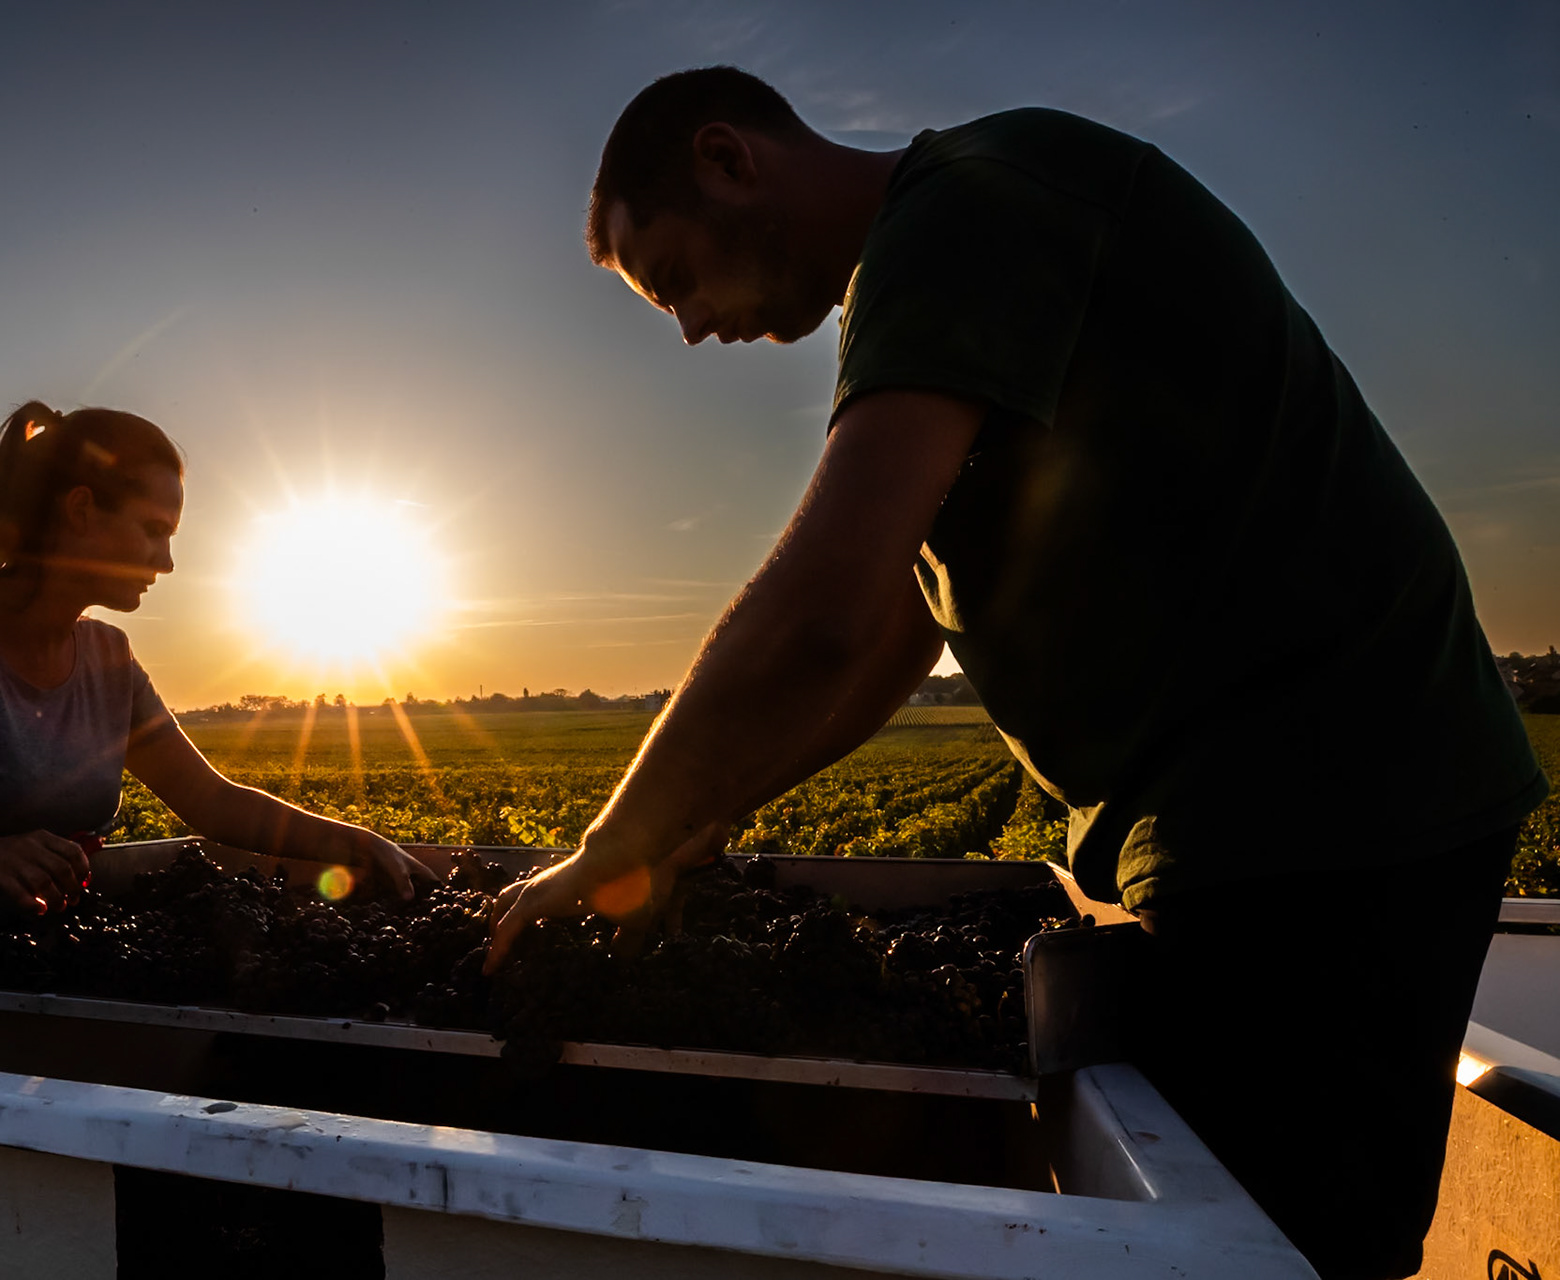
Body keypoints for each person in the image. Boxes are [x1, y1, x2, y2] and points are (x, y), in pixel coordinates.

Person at [486, 67, 1548, 1280]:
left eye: (670, 275)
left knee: (1282, 1239)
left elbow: (824, 606)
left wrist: (615, 841)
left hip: (1337, 792)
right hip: (1272, 804)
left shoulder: (971, 203)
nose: (685, 326)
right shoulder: (934, 276)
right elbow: (894, 630)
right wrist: (706, 818)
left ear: (730, 159)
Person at [0, 400, 429, 984]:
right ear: (81, 510)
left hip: (28, 984)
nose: (167, 561)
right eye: (154, 530)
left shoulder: (108, 659)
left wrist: (357, 843)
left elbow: (211, 800)